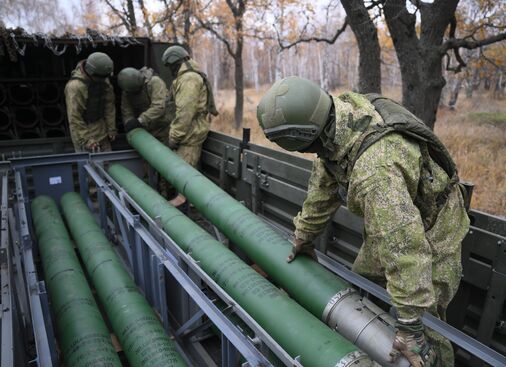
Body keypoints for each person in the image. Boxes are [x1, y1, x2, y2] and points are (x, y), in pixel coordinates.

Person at [256, 76, 470, 367]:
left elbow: (406, 249)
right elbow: (324, 187)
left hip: (434, 227)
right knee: (362, 293)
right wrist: (304, 237)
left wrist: (409, 326)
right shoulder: (335, 118)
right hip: (395, 214)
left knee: (425, 329)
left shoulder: (376, 172)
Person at [161, 45, 218, 207]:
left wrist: (174, 136)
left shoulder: (189, 79)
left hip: (189, 133)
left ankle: (189, 210)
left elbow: (185, 112)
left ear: (174, 62)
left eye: (170, 66)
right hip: (188, 132)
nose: (169, 70)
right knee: (183, 173)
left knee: (185, 178)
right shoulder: (187, 76)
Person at [65, 52, 116, 152]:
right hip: (83, 130)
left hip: (101, 128)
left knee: (108, 163)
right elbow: (74, 117)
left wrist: (111, 128)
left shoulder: (103, 79)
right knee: (89, 165)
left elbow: (109, 105)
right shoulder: (75, 87)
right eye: (101, 77)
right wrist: (87, 140)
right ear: (91, 72)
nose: (104, 79)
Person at [118, 66, 172, 143]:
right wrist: (129, 123)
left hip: (164, 128)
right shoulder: (127, 92)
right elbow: (127, 111)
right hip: (146, 131)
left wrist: (140, 120)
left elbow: (159, 107)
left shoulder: (154, 82)